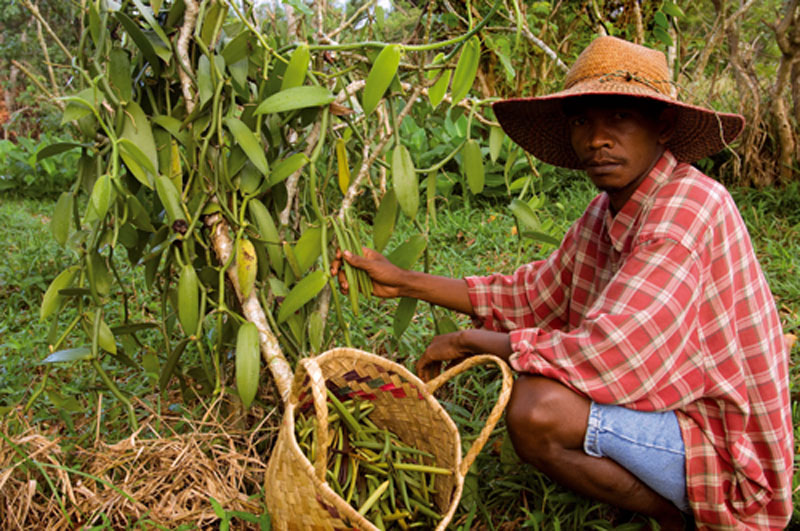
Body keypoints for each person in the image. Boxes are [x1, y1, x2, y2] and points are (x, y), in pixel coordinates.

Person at [332, 36, 793, 529]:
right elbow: (531, 295)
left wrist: (469, 341)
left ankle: (682, 517)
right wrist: (403, 281)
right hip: (679, 415)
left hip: (726, 452)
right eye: (581, 121)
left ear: (662, 126)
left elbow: (612, 354)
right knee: (543, 389)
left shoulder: (685, 211)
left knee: (538, 411)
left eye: (618, 117)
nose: (597, 139)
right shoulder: (607, 210)